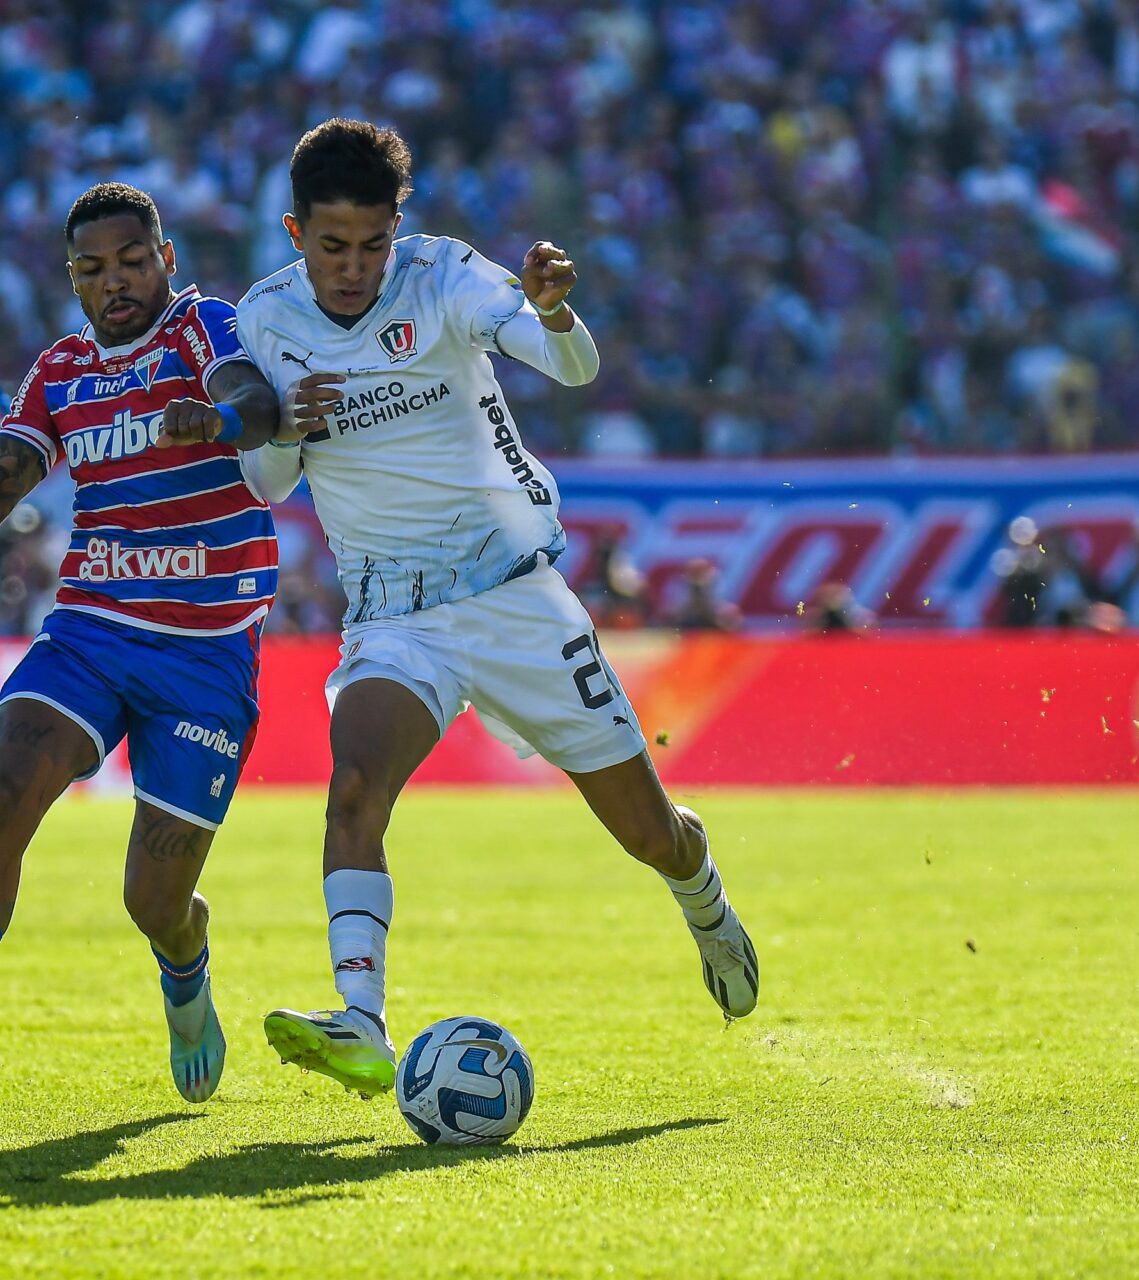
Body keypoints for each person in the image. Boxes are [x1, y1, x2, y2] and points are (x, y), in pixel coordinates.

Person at [236, 119, 760, 1098]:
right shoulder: (263, 317)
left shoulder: (444, 277)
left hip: (516, 598)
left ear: (400, 228)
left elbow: (572, 367)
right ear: (294, 229)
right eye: (332, 244)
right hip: (394, 612)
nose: (354, 267)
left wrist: (555, 315)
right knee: (354, 792)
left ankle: (705, 899)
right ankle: (360, 1018)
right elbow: (264, 481)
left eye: (372, 243)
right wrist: (282, 432)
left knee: (651, 833)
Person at [0, 183, 284, 1114]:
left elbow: (256, 400)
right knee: (5, 786)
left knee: (154, 902)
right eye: (93, 270)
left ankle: (185, 964)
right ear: (73, 280)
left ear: (164, 258)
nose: (116, 282)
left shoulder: (203, 328)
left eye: (133, 261)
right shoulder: (59, 372)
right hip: (89, 631)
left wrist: (216, 421)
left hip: (205, 654)